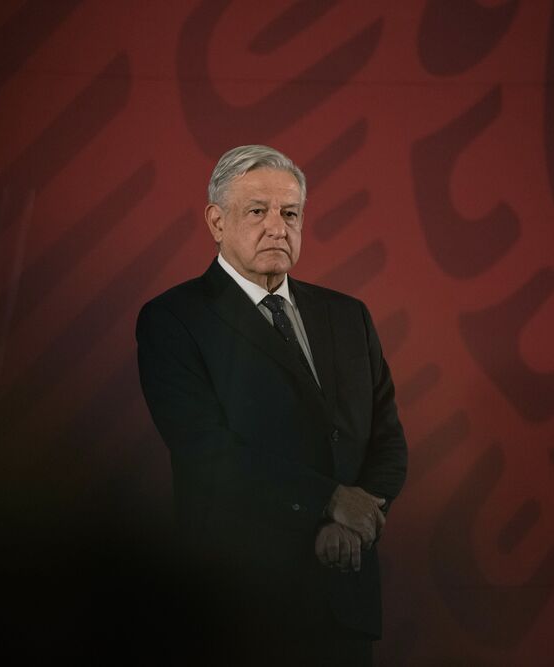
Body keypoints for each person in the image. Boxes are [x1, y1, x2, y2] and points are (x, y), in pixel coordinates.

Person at [136, 145, 407, 666]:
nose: (278, 228)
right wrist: (328, 501)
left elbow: (388, 442)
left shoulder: (348, 316)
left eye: (291, 213)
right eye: (257, 211)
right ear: (217, 222)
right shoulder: (174, 319)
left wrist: (352, 522)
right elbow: (207, 450)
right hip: (241, 607)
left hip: (343, 605)